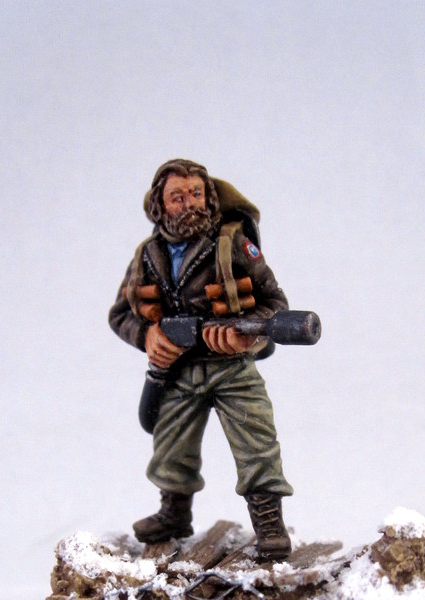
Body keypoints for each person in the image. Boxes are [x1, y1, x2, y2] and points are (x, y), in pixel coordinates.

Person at [109, 158, 295, 559]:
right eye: (177, 197)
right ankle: (174, 512)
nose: (189, 203)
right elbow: (120, 314)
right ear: (160, 206)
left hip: (232, 369)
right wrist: (147, 336)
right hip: (178, 369)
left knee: (256, 441)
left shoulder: (233, 244)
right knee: (170, 444)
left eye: (196, 193)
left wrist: (246, 334)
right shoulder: (147, 256)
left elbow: (275, 304)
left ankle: (268, 521)